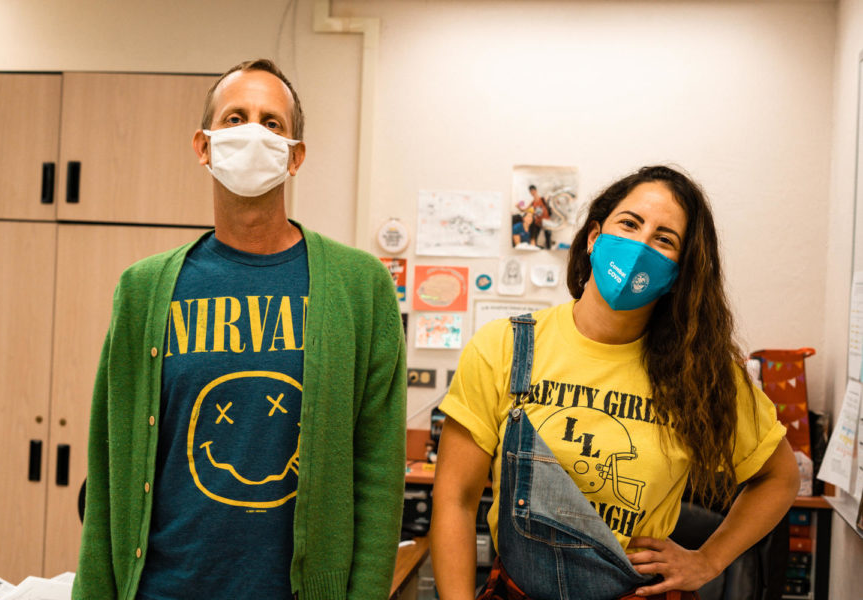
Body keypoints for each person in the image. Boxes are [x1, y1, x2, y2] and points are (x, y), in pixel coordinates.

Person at [72, 59, 407, 600]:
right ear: (204, 146)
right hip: (164, 587)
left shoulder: (359, 287)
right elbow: (109, 467)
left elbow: (378, 474)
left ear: (295, 156)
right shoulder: (143, 289)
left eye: (272, 123)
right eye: (234, 118)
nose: (253, 132)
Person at [431, 165, 799, 600]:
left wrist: (709, 559)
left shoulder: (702, 373)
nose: (639, 246)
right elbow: (455, 499)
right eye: (629, 223)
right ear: (593, 237)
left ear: (678, 273)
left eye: (664, 239)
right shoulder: (504, 347)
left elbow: (780, 477)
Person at [527, 184, 553, 249]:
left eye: (533, 191)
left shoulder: (543, 199)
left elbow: (551, 202)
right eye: (531, 191)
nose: (532, 192)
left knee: (548, 239)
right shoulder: (532, 202)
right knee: (535, 238)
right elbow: (526, 209)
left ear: (535, 190)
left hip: (546, 222)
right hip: (538, 222)